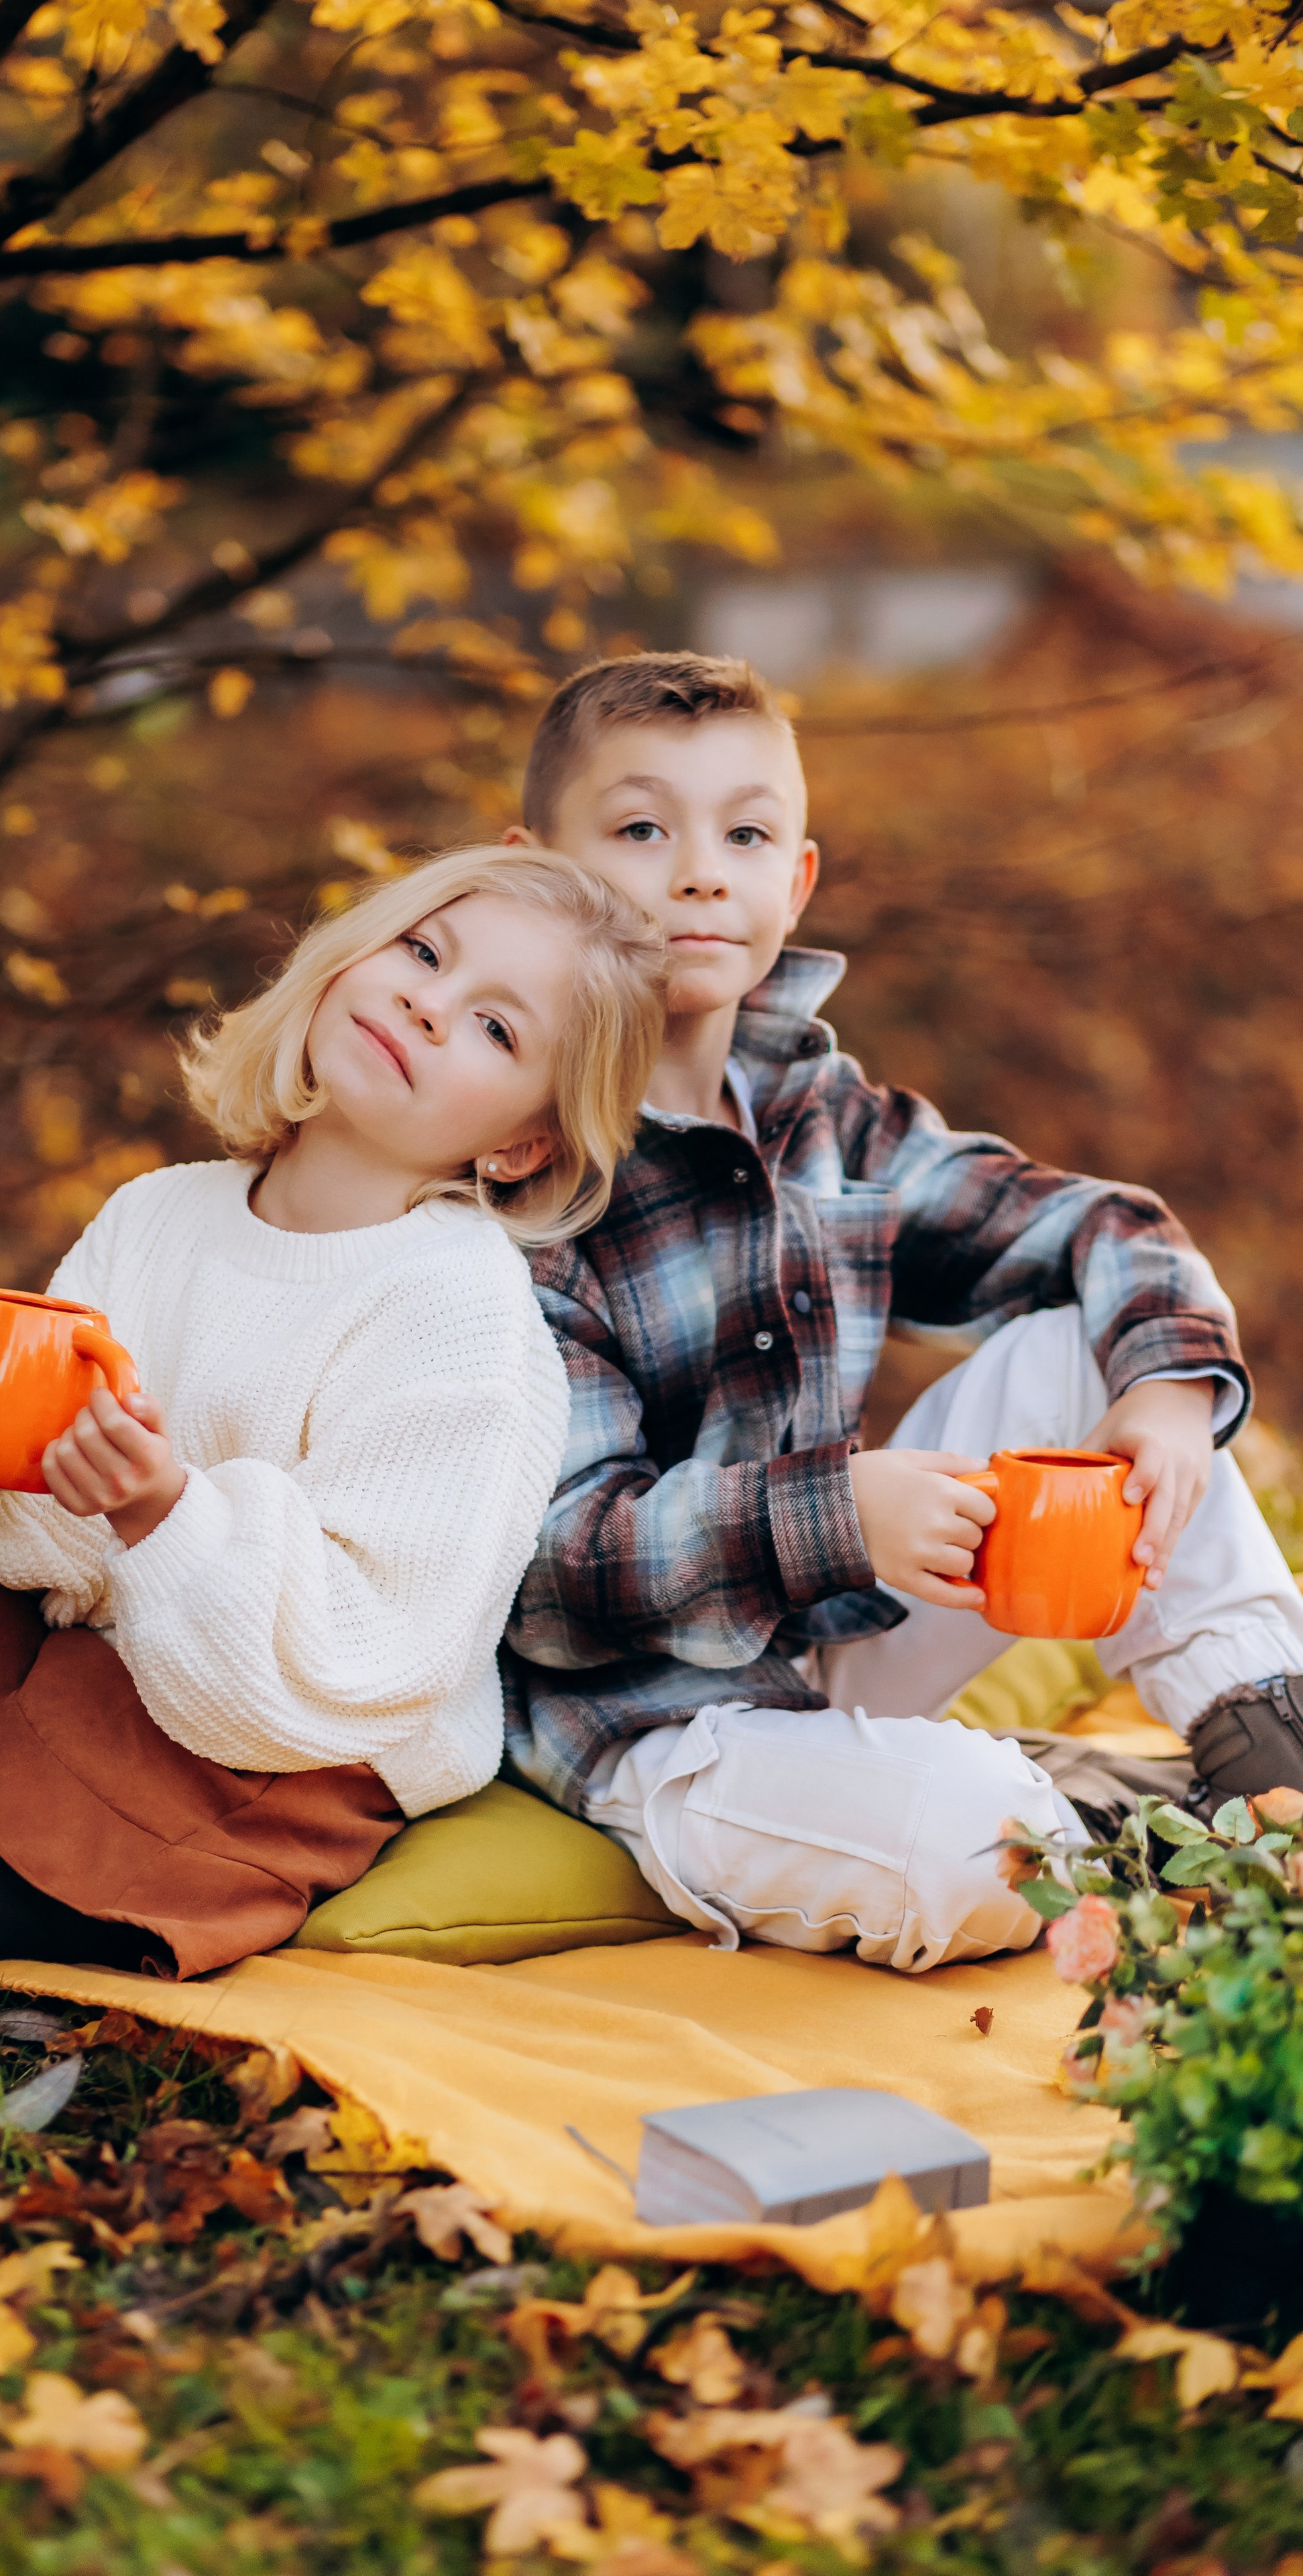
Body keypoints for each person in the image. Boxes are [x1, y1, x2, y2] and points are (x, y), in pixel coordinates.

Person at [0, 845, 666, 1990]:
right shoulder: (163, 1214)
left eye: (497, 1030)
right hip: (49, 1687)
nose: (427, 1004)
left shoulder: (463, 1321)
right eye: (423, 951)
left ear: (520, 1144)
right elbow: (62, 1554)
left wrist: (167, 1516)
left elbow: (366, 1670)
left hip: (219, 1799)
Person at [499, 652, 1303, 1973]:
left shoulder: (824, 1120)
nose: (700, 871)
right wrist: (839, 1512)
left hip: (832, 1643)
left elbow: (1099, 1225)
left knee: (1079, 1342)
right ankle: (1090, 1827)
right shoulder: (520, 1175)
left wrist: (1161, 1394)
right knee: (968, 1847)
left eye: (742, 834)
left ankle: (1261, 1747)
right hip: (663, 1733)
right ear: (533, 871)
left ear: (793, 879)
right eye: (642, 830)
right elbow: (550, 1572)